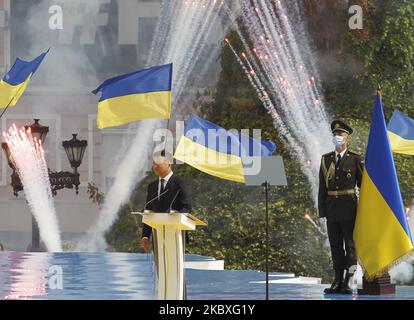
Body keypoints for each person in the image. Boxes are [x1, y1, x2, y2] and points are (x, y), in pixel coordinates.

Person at [318, 120, 363, 294]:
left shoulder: (355, 159)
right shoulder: (326, 159)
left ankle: (348, 281)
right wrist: (322, 211)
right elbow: (322, 188)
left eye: (341, 135)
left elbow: (363, 185)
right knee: (336, 246)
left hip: (349, 209)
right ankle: (337, 280)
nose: (337, 137)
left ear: (347, 138)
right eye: (335, 135)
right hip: (331, 209)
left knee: (350, 247)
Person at [140, 151, 192, 252]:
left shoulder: (181, 184)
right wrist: (145, 236)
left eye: (157, 163)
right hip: (157, 235)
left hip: (175, 235)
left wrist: (174, 214)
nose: (154, 166)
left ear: (169, 164)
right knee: (159, 266)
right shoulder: (152, 186)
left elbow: (186, 208)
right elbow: (149, 211)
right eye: (153, 163)